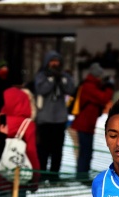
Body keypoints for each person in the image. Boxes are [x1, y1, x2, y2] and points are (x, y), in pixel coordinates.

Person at [69, 62, 113, 182]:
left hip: (87, 125)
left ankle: (83, 175)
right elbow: (103, 98)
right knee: (85, 153)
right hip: (83, 125)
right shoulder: (89, 86)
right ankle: (82, 176)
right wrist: (109, 88)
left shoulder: (92, 85)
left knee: (87, 152)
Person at [34, 50, 74, 179]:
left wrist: (61, 79)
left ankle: (54, 176)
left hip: (59, 120)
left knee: (57, 150)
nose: (55, 64)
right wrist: (51, 80)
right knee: (43, 150)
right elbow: (41, 89)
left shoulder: (64, 76)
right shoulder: (41, 76)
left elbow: (70, 89)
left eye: (57, 61)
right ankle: (42, 174)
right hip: (45, 120)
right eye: (52, 61)